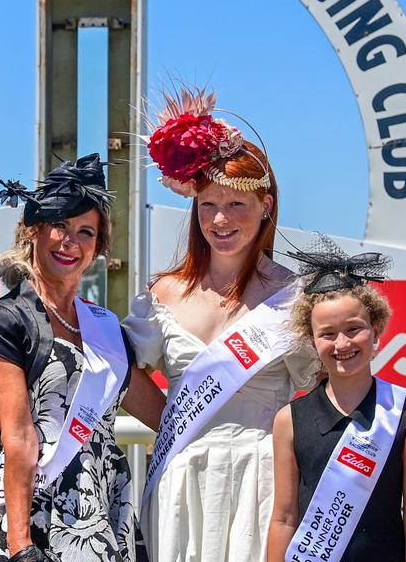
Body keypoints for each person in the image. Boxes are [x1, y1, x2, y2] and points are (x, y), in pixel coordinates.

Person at [122, 88, 315, 562]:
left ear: (266, 206)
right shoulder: (161, 293)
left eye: (237, 205)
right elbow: (125, 377)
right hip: (181, 474)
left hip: (265, 476)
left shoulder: (297, 297)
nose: (220, 219)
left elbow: (325, 393)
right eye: (208, 204)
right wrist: (178, 423)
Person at [0, 154, 164, 562]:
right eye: (60, 225)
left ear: (98, 247)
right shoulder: (6, 319)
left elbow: (164, 416)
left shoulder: (106, 328)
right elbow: (17, 437)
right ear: (33, 231)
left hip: (103, 507)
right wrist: (20, 545)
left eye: (86, 231)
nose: (71, 241)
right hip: (33, 509)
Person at [266, 239, 406, 562]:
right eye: (327, 333)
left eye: (354, 329)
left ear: (376, 329)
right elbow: (284, 517)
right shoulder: (290, 419)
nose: (342, 343)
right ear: (312, 341)